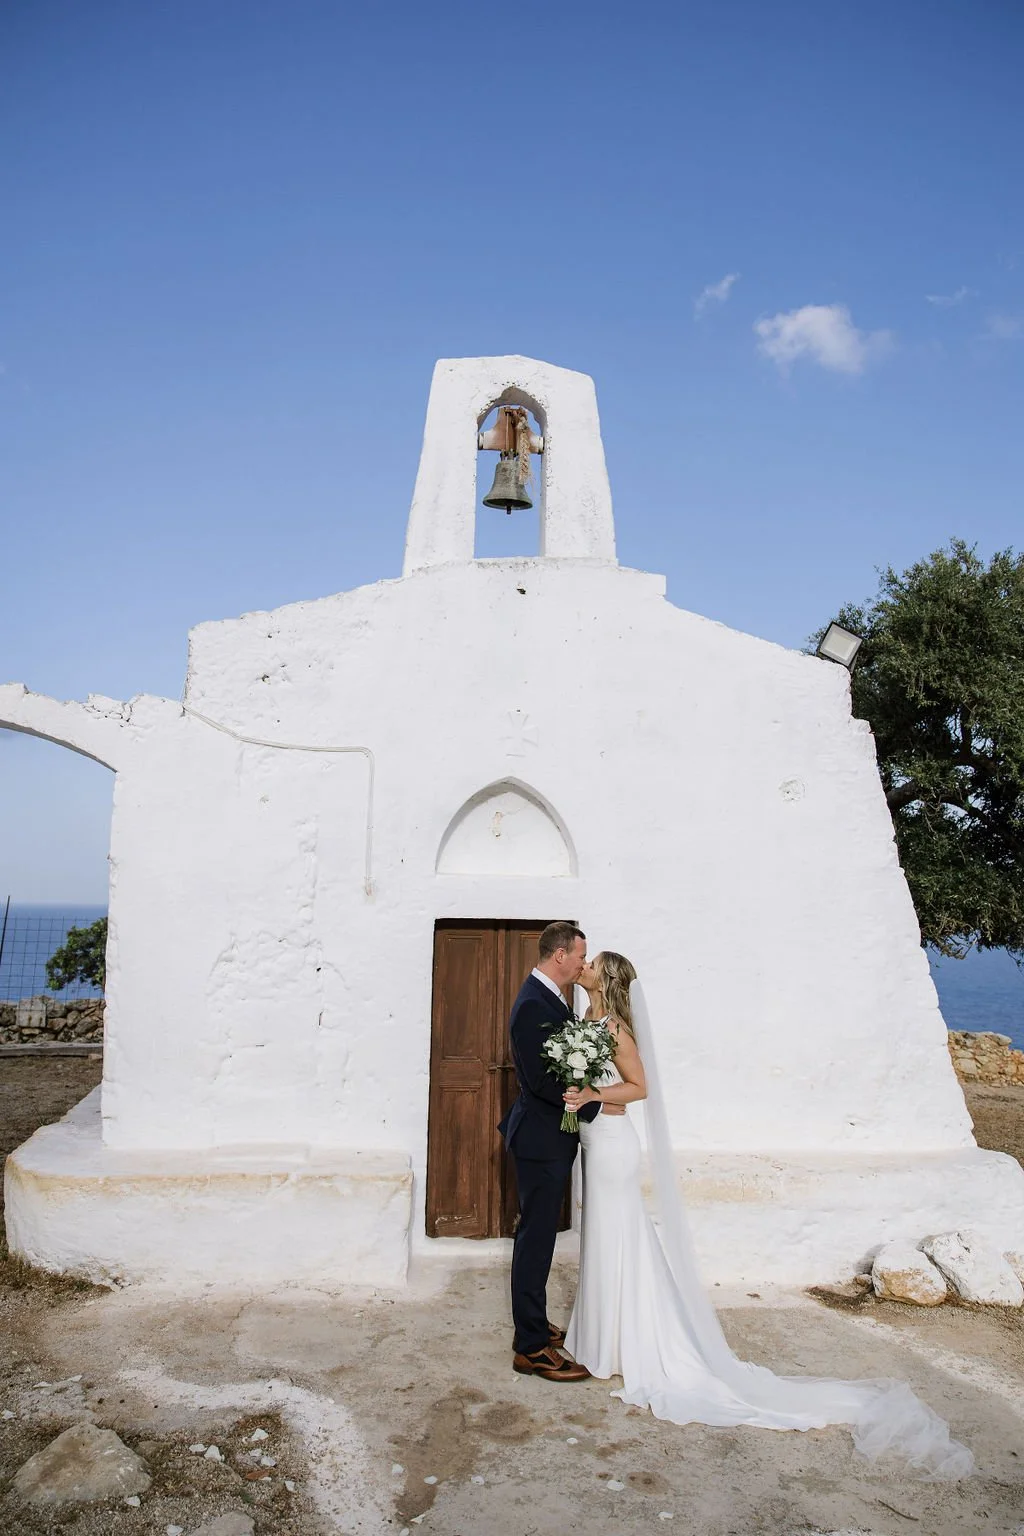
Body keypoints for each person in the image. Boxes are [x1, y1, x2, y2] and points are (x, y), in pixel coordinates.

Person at [560, 950, 974, 1480]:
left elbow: (640, 1087)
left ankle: (628, 1343)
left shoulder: (615, 1026)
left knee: (618, 1236)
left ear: (608, 978)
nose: (586, 966)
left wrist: (593, 1091)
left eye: (593, 962)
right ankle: (601, 1337)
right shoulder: (586, 1021)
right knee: (602, 1238)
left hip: (614, 1144)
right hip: (592, 1139)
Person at [498, 920, 623, 1382]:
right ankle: (530, 1347)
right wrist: (591, 1103)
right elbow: (541, 1081)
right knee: (536, 1240)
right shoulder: (534, 1004)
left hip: (550, 1137)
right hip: (539, 1140)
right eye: (580, 956)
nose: (583, 964)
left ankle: (533, 1326)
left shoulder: (552, 999)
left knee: (541, 1237)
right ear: (559, 956)